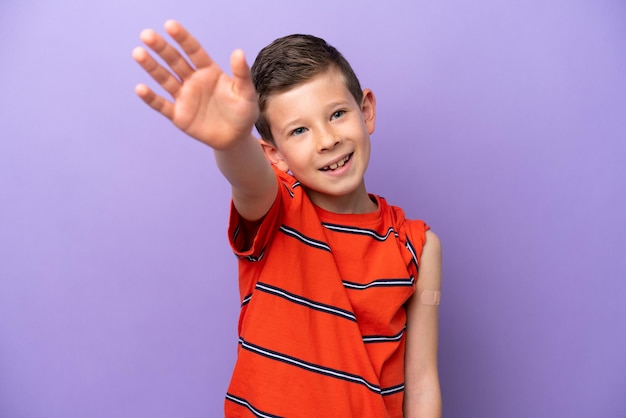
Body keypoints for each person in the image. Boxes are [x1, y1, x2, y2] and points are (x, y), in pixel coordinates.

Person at [133, 20, 442, 418]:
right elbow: (248, 177)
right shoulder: (278, 208)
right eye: (298, 130)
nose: (326, 140)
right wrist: (230, 142)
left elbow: (421, 384)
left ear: (366, 111)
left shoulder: (417, 245)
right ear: (275, 154)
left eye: (337, 114)